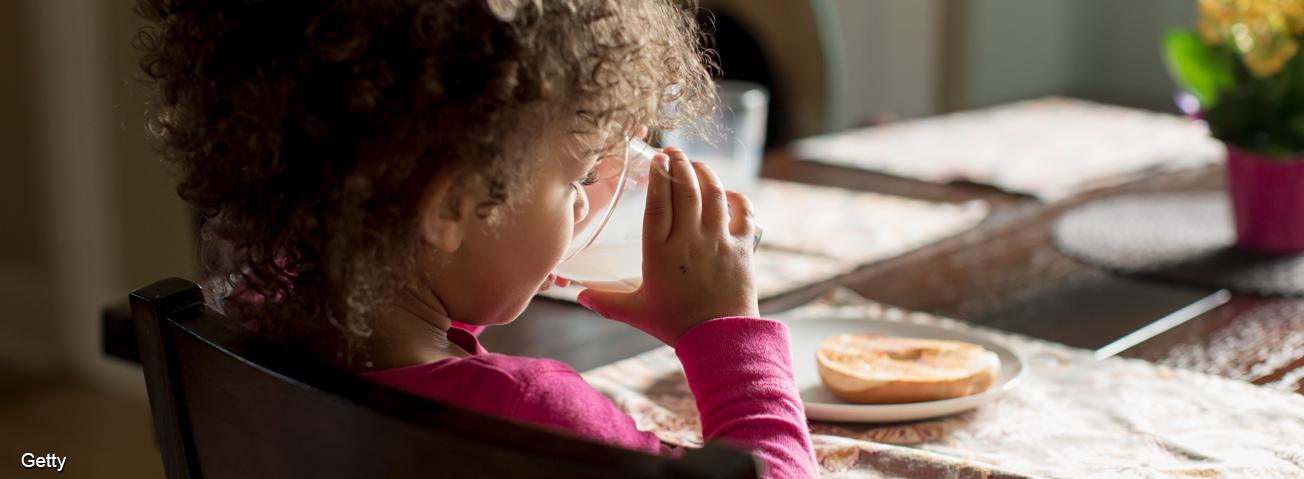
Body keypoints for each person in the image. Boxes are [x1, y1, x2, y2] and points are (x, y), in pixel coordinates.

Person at [136, 0, 816, 477]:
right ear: (454, 208)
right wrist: (723, 329)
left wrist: (550, 211)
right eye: (577, 176)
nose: (584, 197)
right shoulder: (531, 418)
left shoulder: (257, 312)